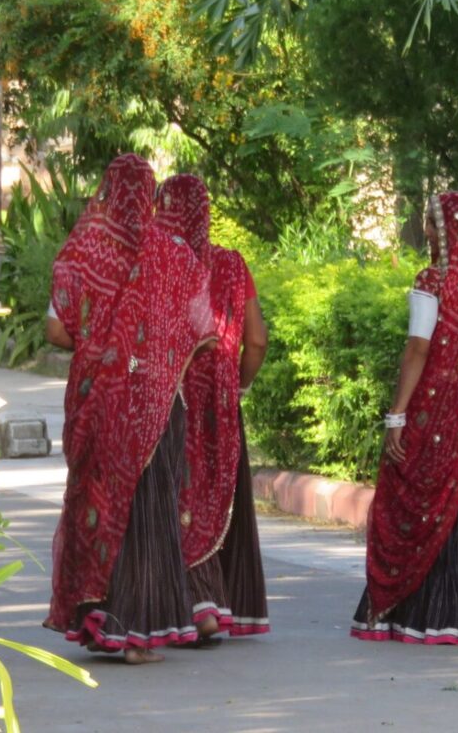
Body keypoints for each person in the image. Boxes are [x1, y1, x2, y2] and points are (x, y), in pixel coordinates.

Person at [43, 154, 217, 664]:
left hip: (96, 400)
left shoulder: (82, 252)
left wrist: (99, 345)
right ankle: (137, 633)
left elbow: (55, 329)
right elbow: (203, 332)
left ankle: (100, 618)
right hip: (158, 404)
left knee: (97, 504)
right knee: (147, 511)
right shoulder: (177, 256)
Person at [350, 191, 458, 645]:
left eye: (433, 225)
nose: (427, 233)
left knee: (429, 507)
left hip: (437, 411)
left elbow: (418, 348)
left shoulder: (432, 281)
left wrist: (397, 414)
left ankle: (428, 614)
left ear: (449, 232)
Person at [154, 174, 271, 641]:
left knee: (181, 494)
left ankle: (196, 606)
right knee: (214, 495)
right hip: (221, 400)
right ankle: (221, 604)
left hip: (172, 396)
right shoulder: (232, 264)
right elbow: (258, 340)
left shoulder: (162, 262)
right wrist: (236, 386)